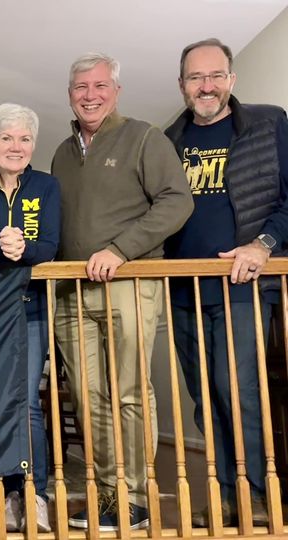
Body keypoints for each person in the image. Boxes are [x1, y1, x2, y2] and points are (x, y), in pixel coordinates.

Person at [51, 52, 193, 532]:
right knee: (89, 399)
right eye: (80, 88)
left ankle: (137, 496)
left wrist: (120, 250)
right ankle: (107, 495)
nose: (89, 95)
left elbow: (177, 201)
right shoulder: (62, 152)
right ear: (69, 94)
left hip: (129, 285)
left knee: (129, 393)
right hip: (71, 294)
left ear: (116, 90)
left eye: (99, 86)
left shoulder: (145, 137)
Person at [164, 38, 288, 527]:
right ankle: (221, 493)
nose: (206, 86)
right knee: (204, 397)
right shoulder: (166, 140)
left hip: (244, 286)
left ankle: (256, 494)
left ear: (231, 80)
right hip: (182, 290)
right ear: (182, 85)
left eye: (215, 76)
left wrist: (263, 244)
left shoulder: (268, 123)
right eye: (196, 78)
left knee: (239, 391)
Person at [0, 103, 60, 533]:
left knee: (27, 406)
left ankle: (33, 493)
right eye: (6, 138)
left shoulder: (47, 185)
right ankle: (5, 493)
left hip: (32, 307)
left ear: (32, 145)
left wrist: (26, 250)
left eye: (24, 139)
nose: (15, 146)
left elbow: (52, 244)